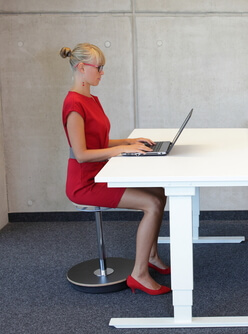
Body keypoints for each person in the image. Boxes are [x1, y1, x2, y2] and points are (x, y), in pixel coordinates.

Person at [60, 43, 171, 295]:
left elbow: (97, 142)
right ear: (81, 67)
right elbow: (81, 154)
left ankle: (151, 256)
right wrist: (119, 150)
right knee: (151, 204)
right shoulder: (73, 105)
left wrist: (128, 142)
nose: (102, 72)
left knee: (158, 191)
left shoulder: (91, 99)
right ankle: (139, 275)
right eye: (99, 67)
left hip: (103, 174)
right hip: (85, 183)